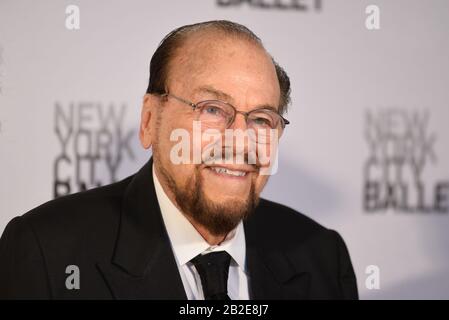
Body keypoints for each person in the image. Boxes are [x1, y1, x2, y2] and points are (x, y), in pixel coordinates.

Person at [0, 20, 358, 299]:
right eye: (213, 109)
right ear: (150, 121)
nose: (239, 140)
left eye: (262, 118)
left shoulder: (323, 257)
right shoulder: (47, 251)